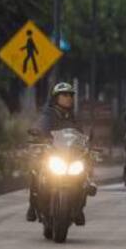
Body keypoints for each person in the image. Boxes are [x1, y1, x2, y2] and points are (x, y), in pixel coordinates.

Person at [27, 82, 94, 224]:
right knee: (36, 170)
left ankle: (79, 207)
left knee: (85, 168)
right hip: (53, 153)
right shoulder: (49, 114)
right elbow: (40, 126)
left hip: (71, 155)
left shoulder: (74, 117)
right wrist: (37, 133)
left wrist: (87, 143)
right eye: (64, 95)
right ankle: (32, 206)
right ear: (56, 98)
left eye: (70, 95)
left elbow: (81, 134)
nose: (68, 98)